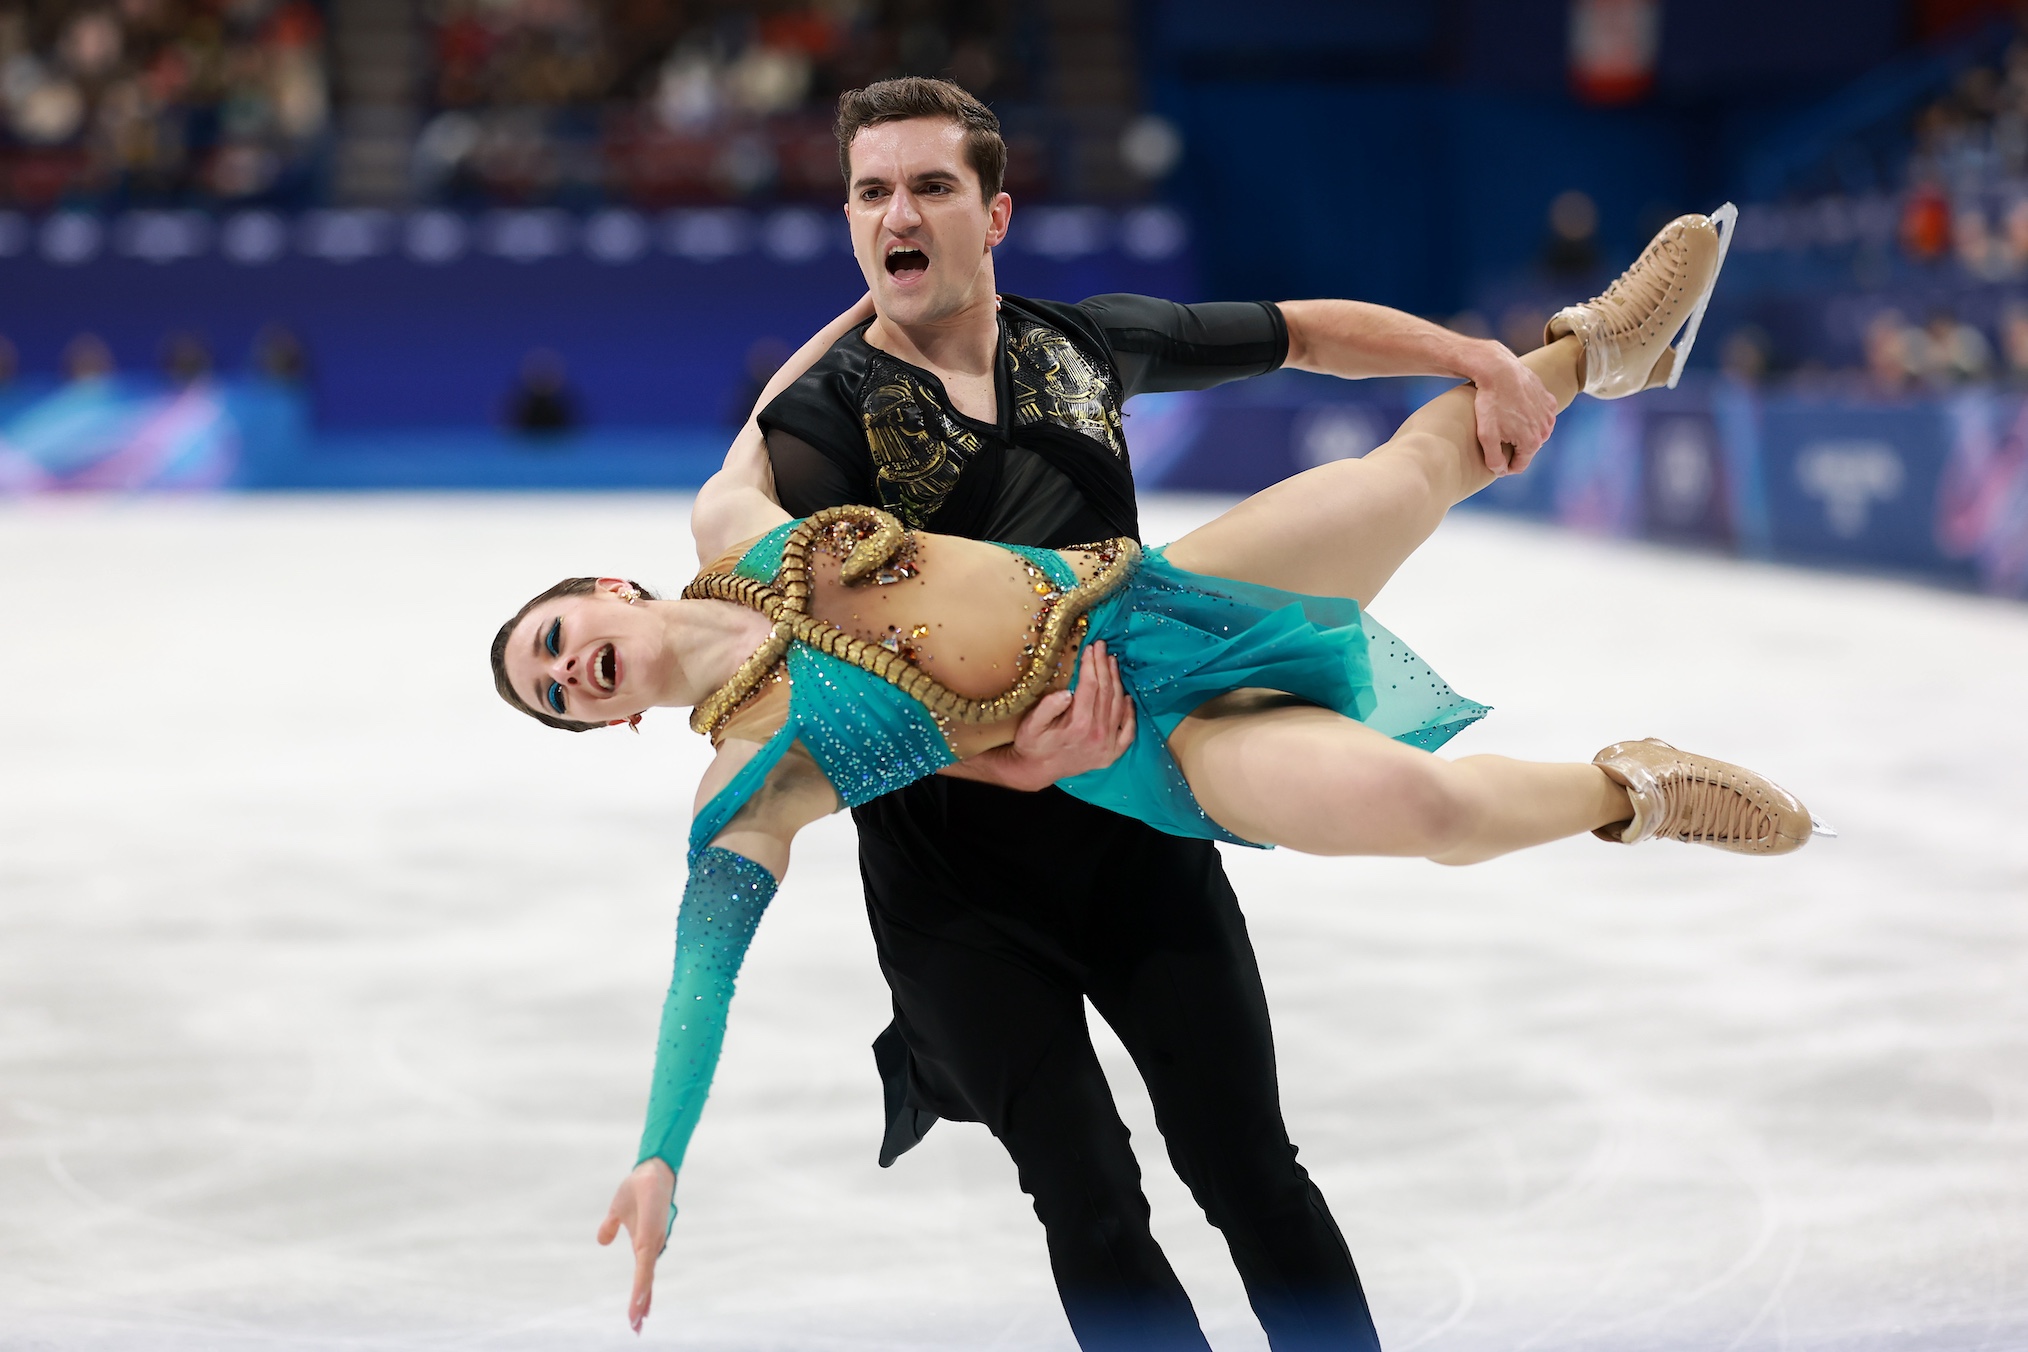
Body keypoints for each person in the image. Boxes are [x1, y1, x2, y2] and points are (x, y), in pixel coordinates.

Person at [492, 185, 1818, 1338]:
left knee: (1414, 470)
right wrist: (658, 1155)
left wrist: (888, 269)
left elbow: (812, 370)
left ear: (604, 590)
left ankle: (1596, 347)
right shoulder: (746, 777)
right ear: (602, 724)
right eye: (552, 696)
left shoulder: (733, 514)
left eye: (554, 640)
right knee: (1412, 805)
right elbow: (700, 976)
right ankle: (1635, 789)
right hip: (1146, 750)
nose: (566, 669)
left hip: (1154, 596)